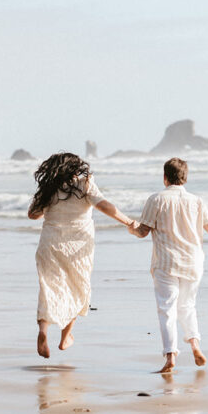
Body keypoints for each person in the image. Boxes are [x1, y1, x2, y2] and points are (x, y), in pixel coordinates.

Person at [129, 157, 208, 373]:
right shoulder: (197, 201)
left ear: (165, 177)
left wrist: (130, 227)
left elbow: (142, 231)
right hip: (193, 262)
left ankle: (170, 357)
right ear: (185, 178)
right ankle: (195, 345)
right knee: (187, 306)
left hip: (166, 262)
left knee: (167, 308)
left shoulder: (156, 199)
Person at [28, 152, 137, 359]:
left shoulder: (49, 187)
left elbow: (33, 214)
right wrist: (129, 221)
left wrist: (52, 205)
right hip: (78, 245)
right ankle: (66, 336)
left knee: (49, 288)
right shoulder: (85, 183)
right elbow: (103, 205)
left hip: (49, 243)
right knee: (79, 287)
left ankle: (43, 331)